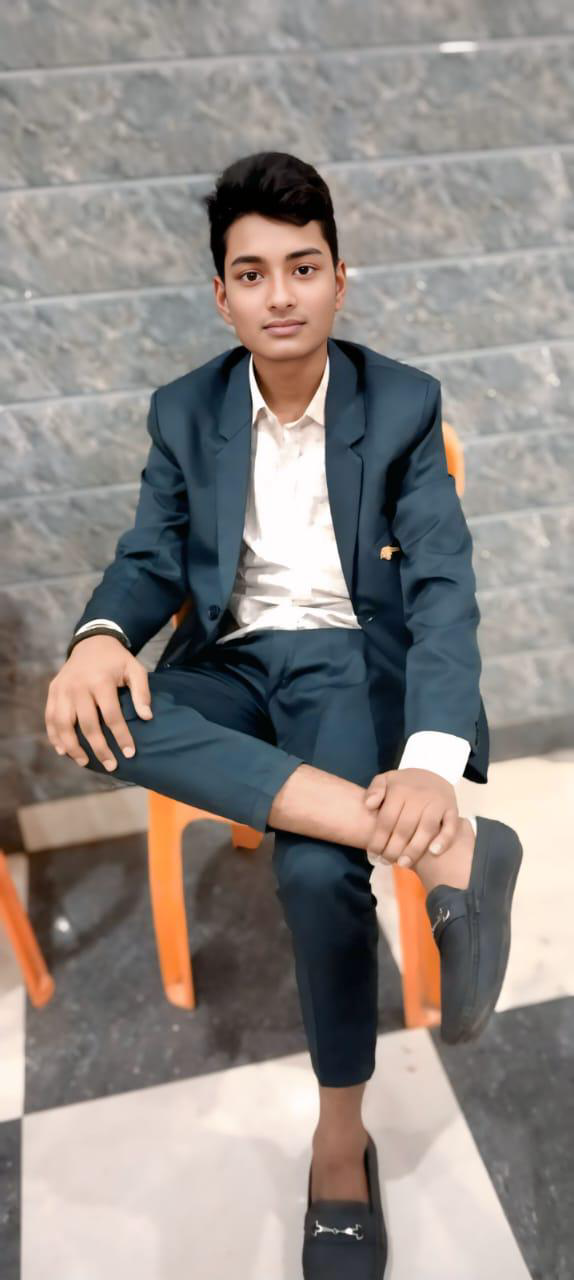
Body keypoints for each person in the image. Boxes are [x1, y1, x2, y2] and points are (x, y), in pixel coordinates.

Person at [44, 151, 523, 1278]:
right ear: (222, 296)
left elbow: (443, 588)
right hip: (233, 658)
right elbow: (150, 556)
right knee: (97, 717)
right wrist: (99, 636)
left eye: (302, 267)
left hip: (347, 662)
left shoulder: (401, 404)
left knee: (313, 875)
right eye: (252, 274)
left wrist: (429, 760)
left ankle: (339, 1141)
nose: (280, 294)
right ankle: (446, 851)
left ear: (339, 279)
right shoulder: (185, 411)